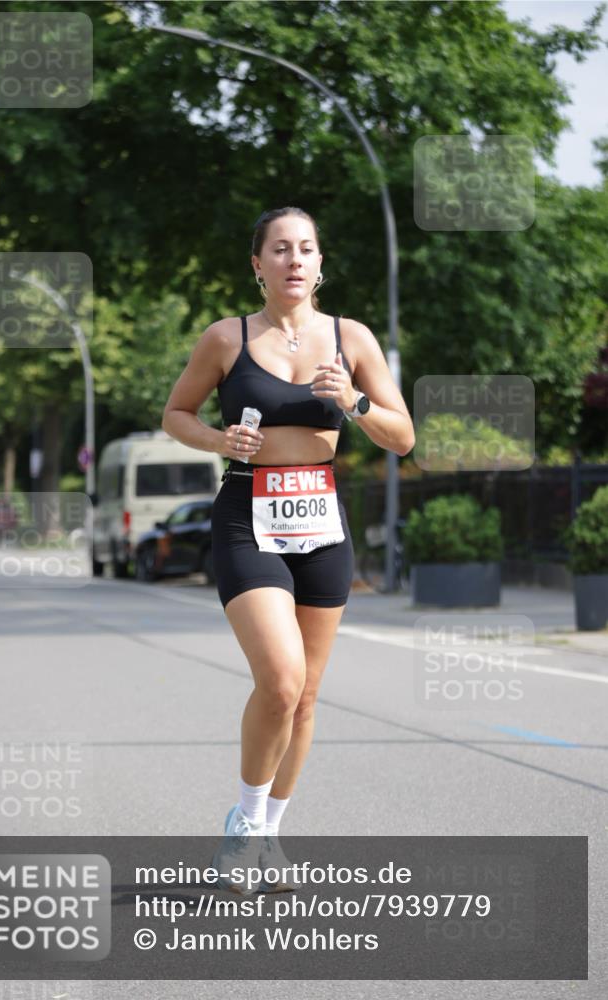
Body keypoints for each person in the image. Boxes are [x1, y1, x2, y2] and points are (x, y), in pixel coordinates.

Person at [162, 206, 415, 893]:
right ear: (258, 264)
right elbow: (175, 414)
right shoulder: (225, 338)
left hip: (320, 520)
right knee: (279, 678)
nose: (294, 260)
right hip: (248, 514)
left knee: (305, 697)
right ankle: (243, 824)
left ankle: (269, 831)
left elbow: (402, 437)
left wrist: (354, 402)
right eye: (280, 249)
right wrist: (220, 441)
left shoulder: (350, 338)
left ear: (320, 263)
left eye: (306, 248)